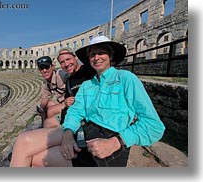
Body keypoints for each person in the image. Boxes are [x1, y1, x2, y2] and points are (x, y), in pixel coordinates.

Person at [60, 35, 165, 167]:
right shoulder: (87, 85)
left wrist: (116, 142)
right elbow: (76, 110)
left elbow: (153, 125)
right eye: (92, 54)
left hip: (113, 141)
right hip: (86, 135)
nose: (96, 57)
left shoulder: (126, 78)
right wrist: (68, 132)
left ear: (110, 56)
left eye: (101, 52)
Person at [10, 48, 95, 167]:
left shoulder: (84, 73)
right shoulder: (70, 79)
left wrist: (69, 131)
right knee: (45, 117)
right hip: (72, 120)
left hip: (81, 125)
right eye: (63, 62)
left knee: (24, 143)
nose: (66, 64)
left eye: (68, 59)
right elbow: (69, 105)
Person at [36, 56, 68, 127]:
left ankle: (48, 126)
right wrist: (41, 109)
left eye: (47, 67)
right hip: (62, 101)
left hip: (70, 102)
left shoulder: (61, 75)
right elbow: (45, 97)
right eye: (42, 68)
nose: (44, 70)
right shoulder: (45, 83)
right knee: (46, 106)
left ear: (52, 67)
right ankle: (43, 127)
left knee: (50, 111)